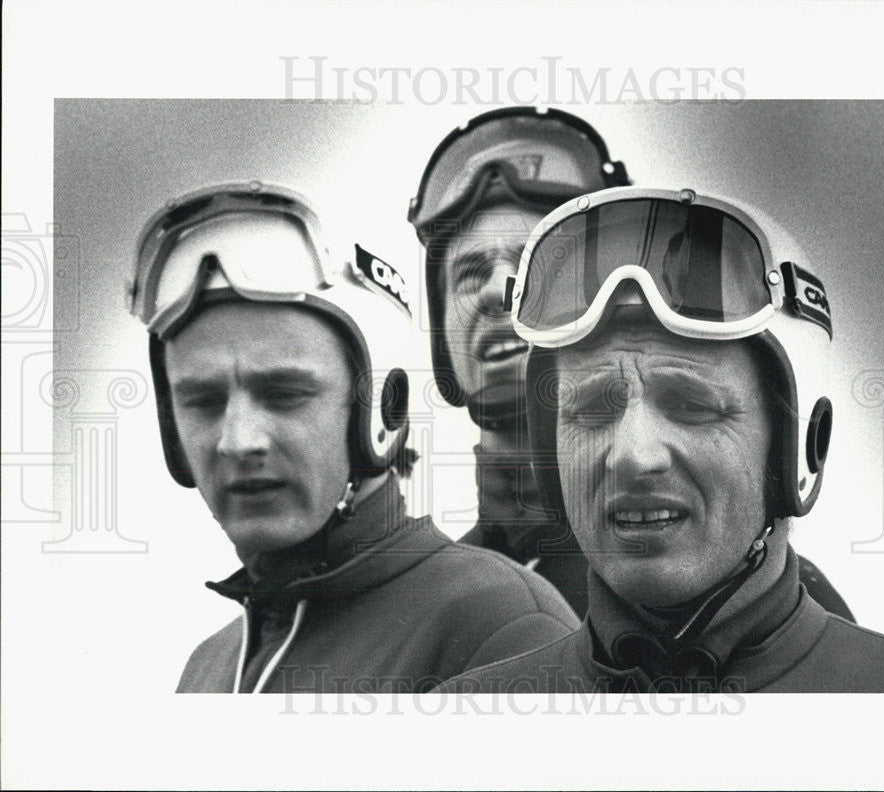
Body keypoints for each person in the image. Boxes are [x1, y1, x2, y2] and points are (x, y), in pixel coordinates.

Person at [439, 186, 884, 693]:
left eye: (691, 406)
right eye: (591, 408)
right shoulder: (456, 728)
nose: (635, 455)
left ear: (801, 445)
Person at [408, 106, 855, 622]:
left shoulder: (751, 599)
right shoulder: (418, 604)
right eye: (469, 272)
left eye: (533, 270)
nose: (495, 291)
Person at [129, 182, 578, 694]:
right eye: (202, 401)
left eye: (284, 393)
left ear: (381, 410)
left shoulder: (501, 629)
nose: (237, 441)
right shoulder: (205, 671)